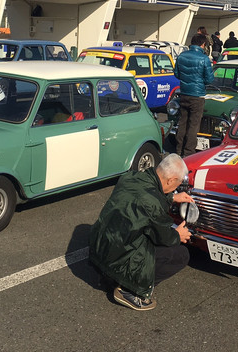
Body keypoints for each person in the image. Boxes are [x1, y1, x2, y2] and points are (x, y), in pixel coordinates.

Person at [89, 153, 194, 311]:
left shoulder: (131, 177)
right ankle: (130, 290)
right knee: (181, 254)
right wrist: (178, 235)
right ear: (171, 180)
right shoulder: (152, 202)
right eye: (176, 185)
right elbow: (164, 237)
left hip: (98, 251)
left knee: (140, 234)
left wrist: (171, 197)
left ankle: (108, 278)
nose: (175, 188)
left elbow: (147, 197)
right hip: (116, 262)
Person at [173, 34, 214, 156]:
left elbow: (177, 74)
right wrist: (200, 82)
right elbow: (209, 79)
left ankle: (178, 149)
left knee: (182, 122)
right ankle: (188, 152)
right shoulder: (204, 59)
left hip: (184, 93)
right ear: (203, 44)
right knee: (193, 125)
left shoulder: (181, 56)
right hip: (197, 95)